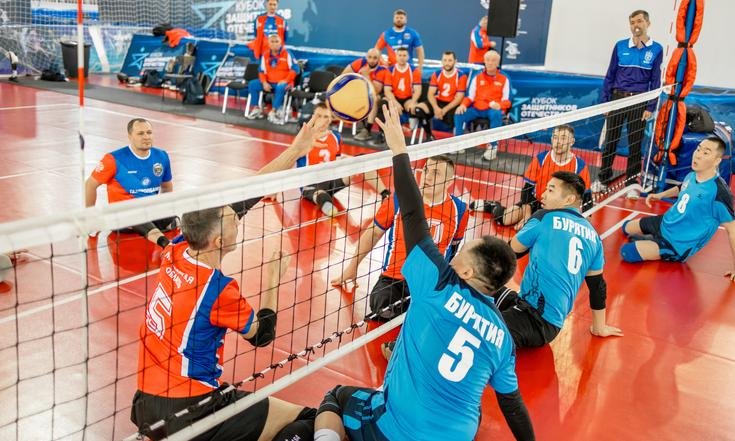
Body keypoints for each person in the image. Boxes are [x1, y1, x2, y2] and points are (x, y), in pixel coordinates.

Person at [314, 99, 535, 441]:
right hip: (456, 433)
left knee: (336, 396)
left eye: (465, 253)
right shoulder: (502, 336)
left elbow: (412, 213)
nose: (458, 254)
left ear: (467, 273)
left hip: (397, 426)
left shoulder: (437, 281)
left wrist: (399, 149)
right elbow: (513, 406)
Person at [131, 115, 332, 441]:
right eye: (232, 220)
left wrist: (297, 149)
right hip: (193, 411)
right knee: (309, 420)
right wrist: (272, 280)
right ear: (218, 241)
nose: (238, 219)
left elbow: (255, 188)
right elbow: (262, 336)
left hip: (146, 407)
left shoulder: (177, 249)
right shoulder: (217, 289)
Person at [330, 154, 468, 323]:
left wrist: (447, 280)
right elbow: (373, 233)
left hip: (432, 281)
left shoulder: (460, 210)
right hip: (395, 279)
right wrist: (352, 267)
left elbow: (453, 248)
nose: (428, 177)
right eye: (426, 170)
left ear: (449, 182)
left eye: (436, 173)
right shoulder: (399, 199)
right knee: (381, 305)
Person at [495, 171, 623, 349]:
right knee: (478, 291)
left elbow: (508, 254)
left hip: (533, 318)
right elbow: (597, 287)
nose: (543, 194)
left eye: (551, 190)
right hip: (549, 325)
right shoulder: (594, 236)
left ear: (569, 199)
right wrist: (599, 327)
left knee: (476, 326)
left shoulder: (544, 217)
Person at [620, 137, 735, 273]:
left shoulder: (718, 192)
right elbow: (681, 187)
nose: (698, 155)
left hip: (677, 244)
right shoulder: (692, 175)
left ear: (717, 161)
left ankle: (655, 242)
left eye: (706, 153)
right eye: (698, 149)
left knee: (627, 252)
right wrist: (660, 195)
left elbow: (732, 229)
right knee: (625, 227)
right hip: (664, 222)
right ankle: (651, 238)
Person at [593, 9, 663, 197]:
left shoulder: (656, 49)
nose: (636, 25)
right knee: (611, 141)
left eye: (639, 21)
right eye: (632, 22)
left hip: (639, 102)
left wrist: (650, 106)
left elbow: (655, 81)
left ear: (648, 23)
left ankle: (632, 184)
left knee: (635, 144)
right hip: (617, 99)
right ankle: (603, 179)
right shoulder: (620, 46)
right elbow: (610, 75)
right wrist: (606, 102)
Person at [471, 125, 592, 230]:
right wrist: (526, 218)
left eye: (563, 138)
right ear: (551, 139)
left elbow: (587, 197)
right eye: (555, 137)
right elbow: (526, 191)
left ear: (572, 142)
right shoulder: (541, 159)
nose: (558, 142)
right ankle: (493, 206)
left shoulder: (579, 165)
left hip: (563, 210)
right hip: (537, 203)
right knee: (506, 219)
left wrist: (586, 226)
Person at [86, 118, 175, 249]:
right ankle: (167, 246)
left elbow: (166, 188)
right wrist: (90, 217)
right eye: (140, 133)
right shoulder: (114, 159)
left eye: (149, 132)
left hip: (150, 211)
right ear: (130, 136)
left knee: (178, 219)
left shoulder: (161, 156)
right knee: (135, 216)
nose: (146, 137)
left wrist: (164, 209)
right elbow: (90, 185)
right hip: (121, 217)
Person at [297, 103, 390, 217]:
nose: (322, 120)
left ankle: (386, 195)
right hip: (311, 185)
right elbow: (291, 160)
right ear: (313, 117)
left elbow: (337, 160)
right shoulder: (304, 138)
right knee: (322, 197)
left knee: (362, 160)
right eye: (318, 116)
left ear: (331, 119)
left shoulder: (335, 137)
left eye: (326, 116)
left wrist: (353, 162)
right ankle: (329, 209)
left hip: (332, 181)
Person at [454, 50, 511, 161]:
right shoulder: (477, 77)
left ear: (497, 63)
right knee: (459, 113)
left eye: (493, 60)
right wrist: (463, 105)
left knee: (496, 114)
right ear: (484, 61)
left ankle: (492, 147)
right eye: (488, 60)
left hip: (492, 109)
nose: (490, 63)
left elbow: (507, 101)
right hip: (477, 108)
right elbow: (470, 97)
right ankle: (458, 144)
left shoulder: (504, 79)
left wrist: (499, 105)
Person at [414, 50, 467, 141]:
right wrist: (436, 108)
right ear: (442, 61)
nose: (447, 63)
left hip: (452, 104)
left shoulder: (461, 76)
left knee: (458, 116)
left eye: (450, 60)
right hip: (438, 102)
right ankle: (429, 136)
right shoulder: (437, 74)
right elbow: (430, 94)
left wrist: (443, 110)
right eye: (445, 60)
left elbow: (459, 98)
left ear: (455, 61)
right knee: (419, 109)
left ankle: (456, 141)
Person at [246, 34, 298, 124]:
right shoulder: (265, 55)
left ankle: (273, 112)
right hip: (269, 82)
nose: (274, 44)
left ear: (281, 43)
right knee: (252, 84)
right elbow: (261, 71)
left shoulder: (287, 53)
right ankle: (256, 109)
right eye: (272, 42)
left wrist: (286, 80)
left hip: (284, 82)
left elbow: (295, 69)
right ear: (269, 44)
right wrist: (264, 82)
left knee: (280, 87)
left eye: (277, 41)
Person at [346, 49, 391, 142]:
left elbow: (375, 91)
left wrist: (366, 75)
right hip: (361, 92)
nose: (372, 60)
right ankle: (360, 122)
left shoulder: (382, 69)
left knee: (373, 98)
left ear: (379, 58)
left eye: (375, 58)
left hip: (376, 94)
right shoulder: (360, 62)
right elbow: (343, 76)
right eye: (369, 57)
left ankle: (367, 129)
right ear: (366, 57)